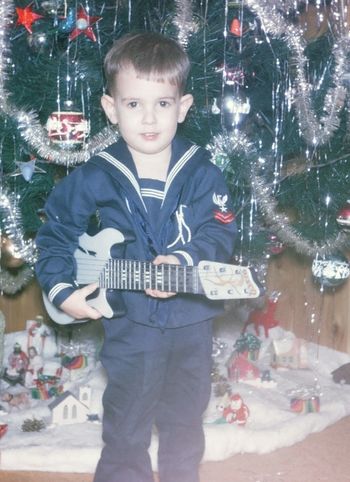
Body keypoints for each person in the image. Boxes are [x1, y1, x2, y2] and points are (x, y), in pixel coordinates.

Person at [35, 31, 237, 482]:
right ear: (111, 108)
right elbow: (54, 236)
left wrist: (185, 259)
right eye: (133, 104)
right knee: (127, 425)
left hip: (191, 323)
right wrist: (62, 288)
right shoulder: (94, 176)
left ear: (182, 107)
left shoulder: (202, 172)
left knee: (185, 421)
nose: (149, 118)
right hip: (130, 325)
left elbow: (221, 233)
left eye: (162, 104)